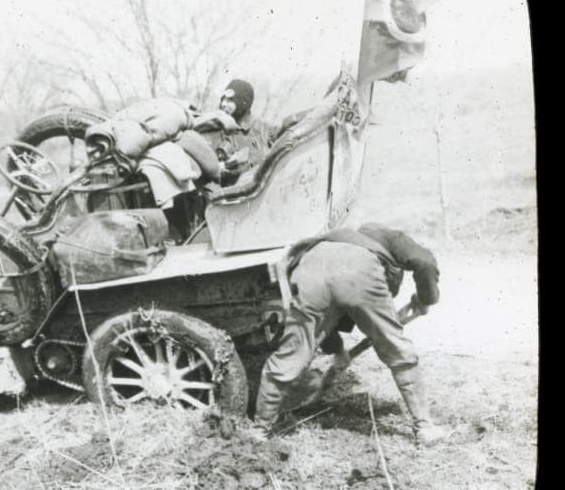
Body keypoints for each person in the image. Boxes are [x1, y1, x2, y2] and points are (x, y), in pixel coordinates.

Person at [250, 222, 450, 446]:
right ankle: (425, 427)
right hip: (358, 270)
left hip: (310, 266)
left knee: (289, 357)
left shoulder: (342, 236)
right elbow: (425, 261)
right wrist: (426, 299)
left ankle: (259, 431)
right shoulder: (388, 234)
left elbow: (327, 319)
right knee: (398, 350)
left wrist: (337, 351)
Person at [191, 78, 272, 185]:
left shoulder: (262, 128)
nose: (224, 104)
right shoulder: (214, 127)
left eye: (230, 100)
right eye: (223, 100)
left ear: (243, 103)